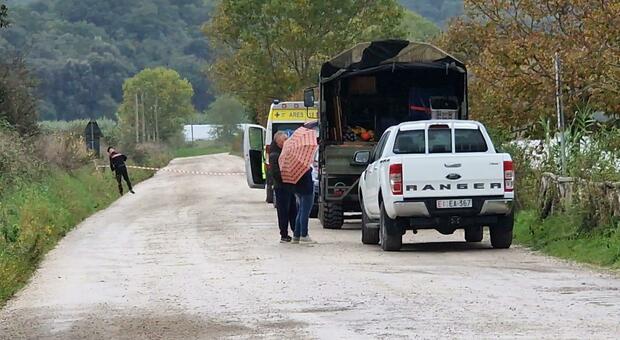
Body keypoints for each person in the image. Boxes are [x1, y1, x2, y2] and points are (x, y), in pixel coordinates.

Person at [269, 131, 296, 243]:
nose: (286, 141)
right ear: (278, 141)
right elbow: (276, 173)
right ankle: (284, 234)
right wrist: (287, 176)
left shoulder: (285, 152)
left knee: (293, 210)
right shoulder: (274, 155)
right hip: (281, 188)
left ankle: (296, 231)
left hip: (290, 186)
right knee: (283, 212)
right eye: (284, 140)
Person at [292, 161, 315, 244]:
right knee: (305, 212)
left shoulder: (293, 164)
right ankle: (304, 234)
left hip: (298, 190)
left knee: (300, 212)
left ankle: (296, 235)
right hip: (306, 190)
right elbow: (307, 177)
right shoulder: (304, 164)